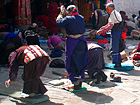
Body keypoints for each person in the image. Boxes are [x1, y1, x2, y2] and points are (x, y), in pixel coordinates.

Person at [56, 5, 89, 90]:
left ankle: (75, 84)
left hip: (73, 42)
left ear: (69, 12)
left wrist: (61, 14)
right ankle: (80, 82)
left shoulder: (68, 19)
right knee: (81, 60)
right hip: (81, 41)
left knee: (72, 61)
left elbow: (58, 23)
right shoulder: (81, 17)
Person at [96, 3, 126, 67]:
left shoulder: (114, 14)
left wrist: (102, 31)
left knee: (115, 47)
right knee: (115, 46)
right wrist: (102, 29)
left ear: (112, 8)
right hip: (116, 31)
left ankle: (117, 62)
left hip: (116, 32)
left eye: (108, 9)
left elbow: (110, 26)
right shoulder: (113, 13)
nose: (107, 11)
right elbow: (109, 24)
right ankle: (117, 61)